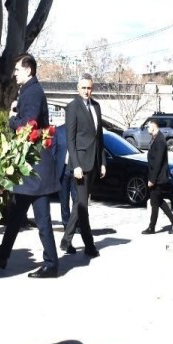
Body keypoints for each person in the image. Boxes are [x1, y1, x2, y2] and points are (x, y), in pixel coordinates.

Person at [0, 53, 59, 278]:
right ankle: (2, 255)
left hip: (35, 170)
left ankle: (51, 263)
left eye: (18, 70)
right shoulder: (30, 91)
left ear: (28, 70)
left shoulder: (31, 92)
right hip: (31, 170)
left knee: (41, 220)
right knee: (17, 215)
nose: (14, 74)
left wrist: (12, 118)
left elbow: (28, 127)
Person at [60, 73, 105, 257]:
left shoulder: (96, 106)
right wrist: (76, 165)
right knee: (83, 205)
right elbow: (70, 139)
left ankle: (66, 240)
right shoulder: (72, 107)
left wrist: (102, 161)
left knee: (79, 202)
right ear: (78, 88)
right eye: (84, 88)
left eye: (89, 88)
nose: (87, 91)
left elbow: (99, 137)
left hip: (94, 162)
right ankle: (89, 245)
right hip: (80, 163)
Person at [141, 119, 173, 235]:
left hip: (158, 178)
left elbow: (158, 162)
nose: (147, 128)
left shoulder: (160, 140)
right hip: (156, 176)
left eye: (148, 126)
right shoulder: (155, 138)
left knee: (154, 202)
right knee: (158, 201)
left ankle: (151, 227)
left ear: (154, 126)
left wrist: (152, 179)